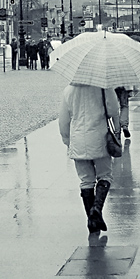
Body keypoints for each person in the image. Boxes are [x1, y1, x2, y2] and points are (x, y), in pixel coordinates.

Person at [59, 83, 120, 244]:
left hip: (78, 139)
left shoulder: (69, 90)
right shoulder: (104, 87)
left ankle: (92, 223)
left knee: (86, 180)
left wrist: (67, 140)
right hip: (99, 137)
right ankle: (96, 209)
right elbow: (114, 111)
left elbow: (64, 120)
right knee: (105, 175)